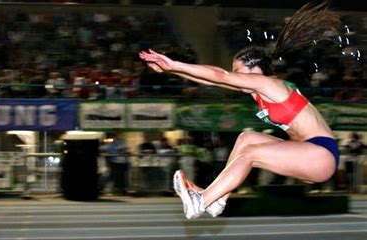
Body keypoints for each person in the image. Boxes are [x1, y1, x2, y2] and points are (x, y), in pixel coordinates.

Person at [139, 2, 341, 219]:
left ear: (255, 70)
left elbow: (220, 75)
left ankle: (202, 202)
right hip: (305, 153)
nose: (235, 75)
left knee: (251, 153)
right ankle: (218, 199)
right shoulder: (260, 90)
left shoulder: (270, 85)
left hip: (321, 154)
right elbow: (215, 81)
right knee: (247, 138)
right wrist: (170, 70)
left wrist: (176, 64)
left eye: (238, 71)